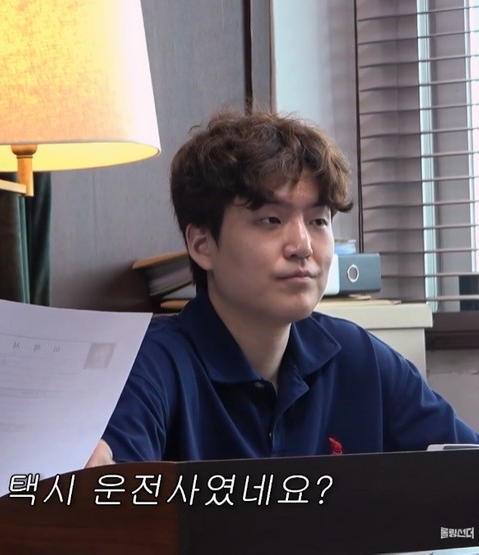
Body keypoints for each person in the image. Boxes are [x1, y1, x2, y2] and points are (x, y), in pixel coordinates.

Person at [103, 110, 479, 462]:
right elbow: (107, 490)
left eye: (318, 221)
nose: (302, 246)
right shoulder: (148, 364)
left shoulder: (357, 357)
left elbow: (464, 469)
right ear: (202, 244)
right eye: (270, 220)